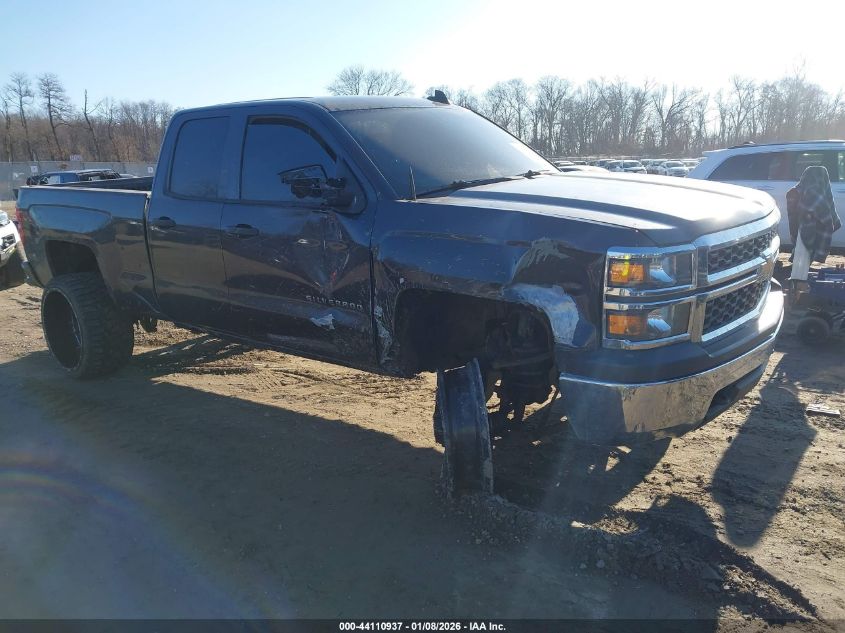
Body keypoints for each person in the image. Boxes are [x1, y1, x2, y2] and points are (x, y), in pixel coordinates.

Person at [786, 165, 841, 291]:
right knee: (803, 255)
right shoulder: (814, 192)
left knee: (802, 255)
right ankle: (799, 287)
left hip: (803, 228)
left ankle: (798, 283)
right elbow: (825, 214)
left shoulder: (798, 190)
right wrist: (827, 222)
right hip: (808, 229)